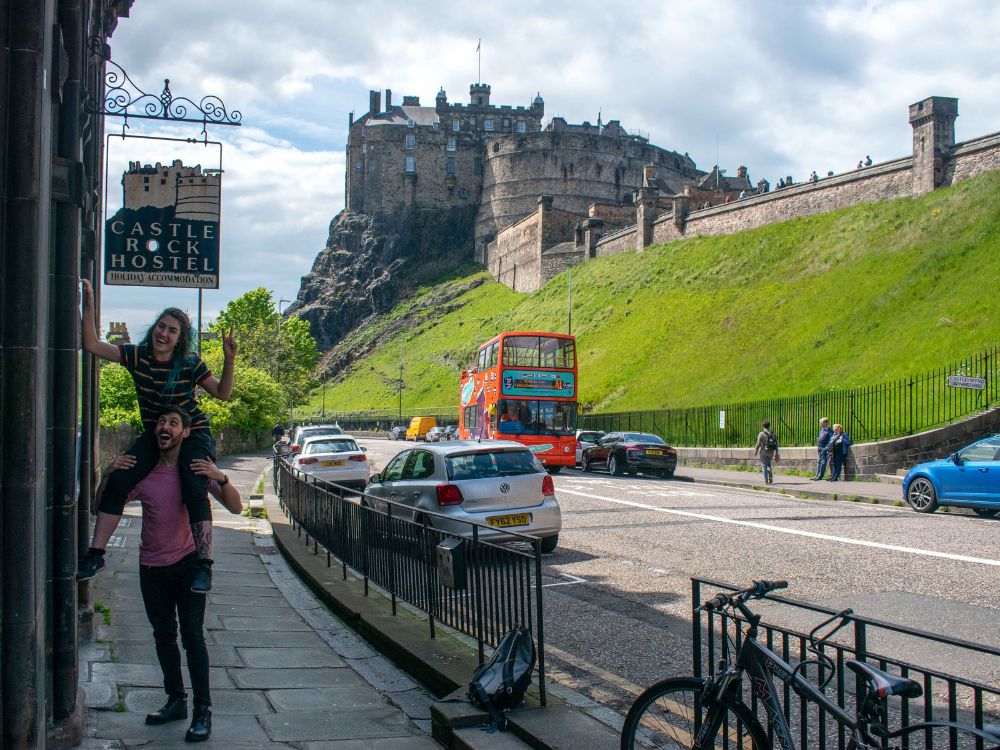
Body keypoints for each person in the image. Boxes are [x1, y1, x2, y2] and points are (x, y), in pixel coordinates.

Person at [77, 278, 237, 593]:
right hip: (156, 432)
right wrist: (89, 301)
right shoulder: (136, 356)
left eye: (171, 330)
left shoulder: (190, 363)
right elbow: (93, 345)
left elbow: (223, 393)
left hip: (193, 433)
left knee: (194, 484)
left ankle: (203, 565)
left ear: (180, 340)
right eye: (160, 326)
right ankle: (96, 554)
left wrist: (230, 359)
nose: (163, 333)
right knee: (120, 478)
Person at [100, 407, 243, 742]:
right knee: (163, 637)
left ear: (186, 432)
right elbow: (102, 507)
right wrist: (109, 474)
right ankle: (176, 700)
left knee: (192, 639)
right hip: (150, 567)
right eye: (162, 422)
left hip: (188, 565)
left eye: (173, 422)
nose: (165, 427)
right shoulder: (144, 473)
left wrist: (220, 476)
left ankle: (202, 712)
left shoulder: (194, 470)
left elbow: (235, 507)